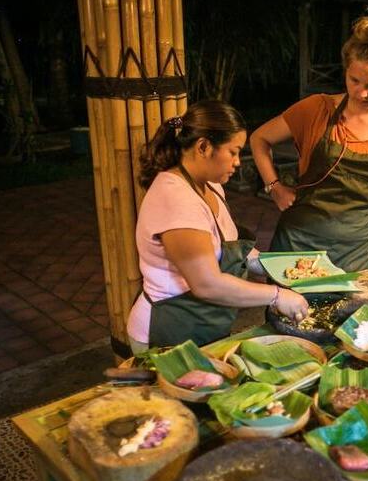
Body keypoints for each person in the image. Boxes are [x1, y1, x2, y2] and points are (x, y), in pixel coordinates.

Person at [126, 100, 309, 353]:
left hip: (202, 324)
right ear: (203, 147)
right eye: (233, 152)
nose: (238, 162)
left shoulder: (210, 186)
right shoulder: (175, 198)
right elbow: (206, 284)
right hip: (170, 328)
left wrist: (278, 266)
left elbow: (228, 249)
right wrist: (276, 295)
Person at [250, 8, 368, 272]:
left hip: (355, 254)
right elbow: (259, 138)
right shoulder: (316, 109)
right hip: (298, 244)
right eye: (354, 80)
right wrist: (274, 187)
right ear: (346, 70)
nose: (361, 93)